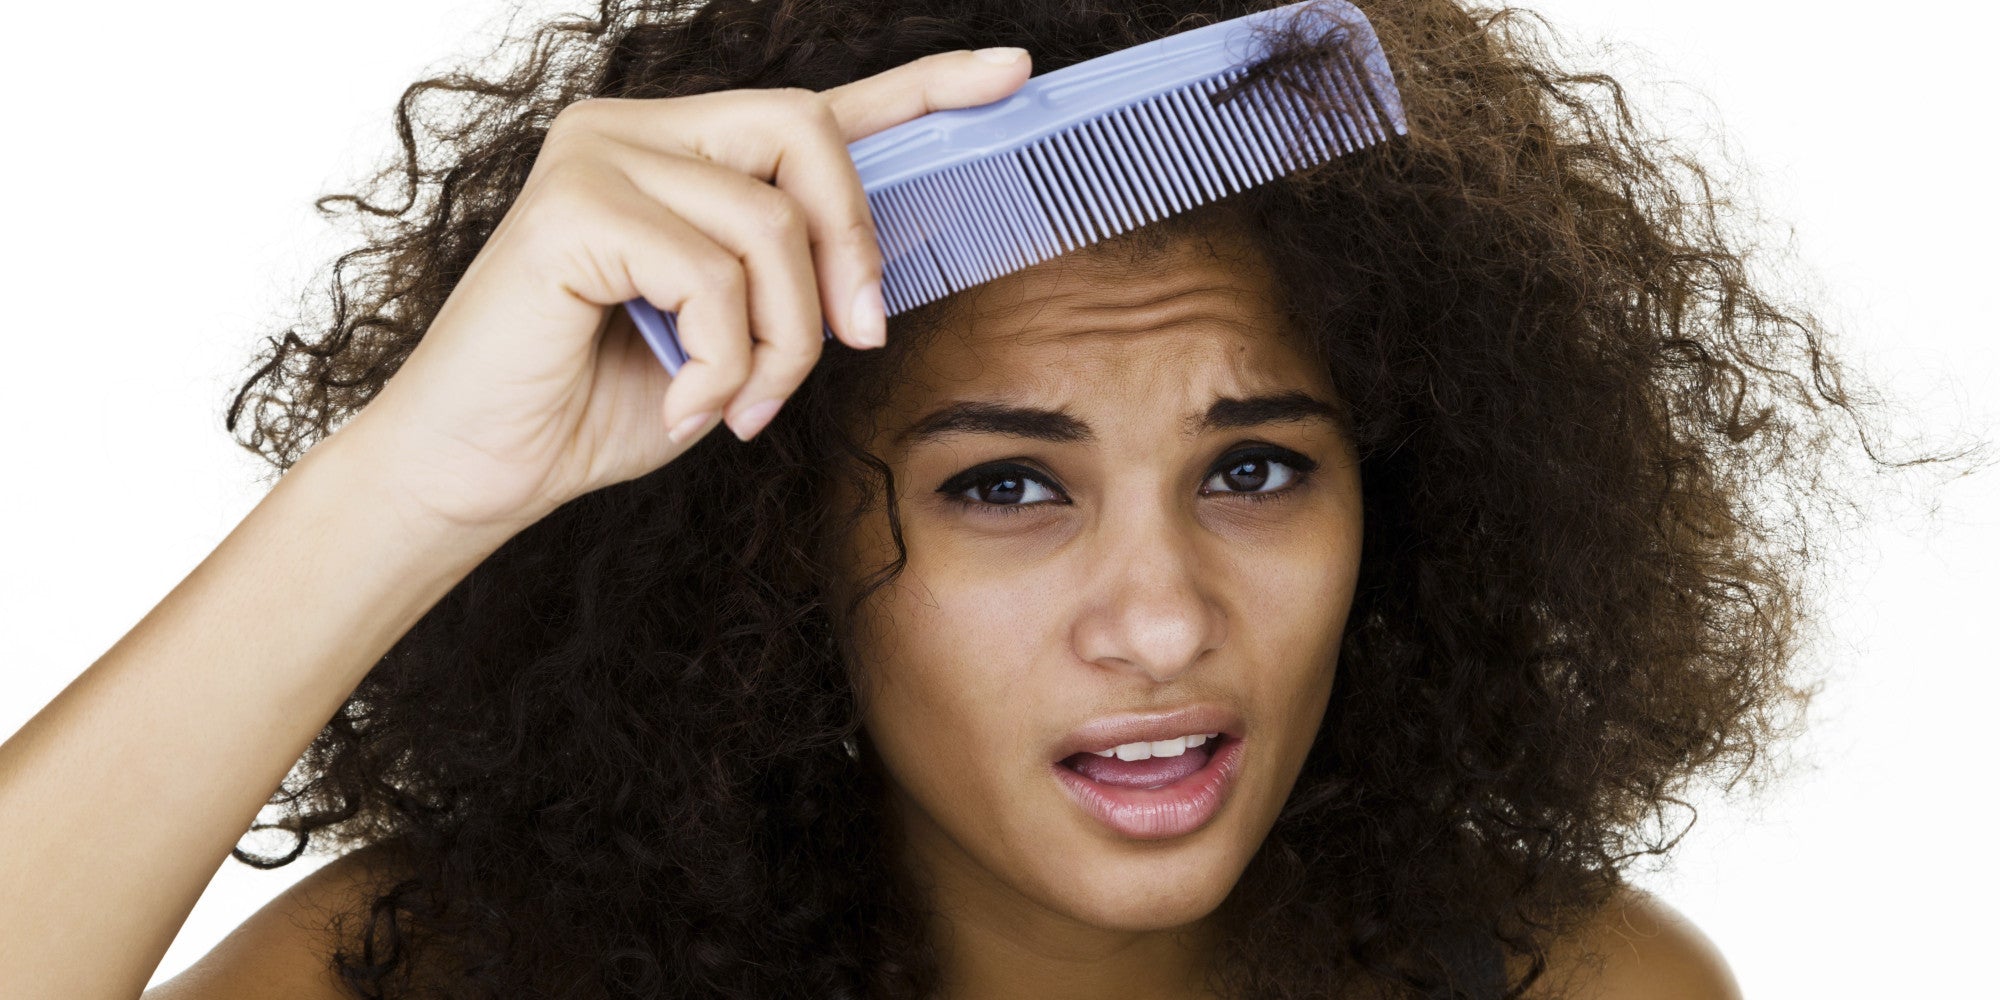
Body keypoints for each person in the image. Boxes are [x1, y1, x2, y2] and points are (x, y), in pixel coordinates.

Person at [0, 0, 1888, 996]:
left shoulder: (1572, 991)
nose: (1158, 621)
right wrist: (415, 482)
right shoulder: (435, 976)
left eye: (1255, 468)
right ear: (773, 548)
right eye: (1003, 484)